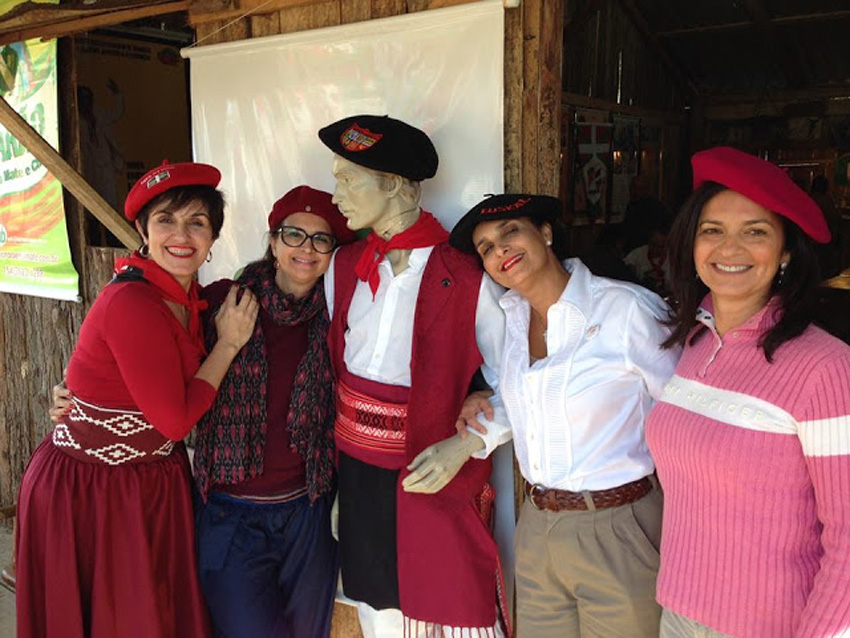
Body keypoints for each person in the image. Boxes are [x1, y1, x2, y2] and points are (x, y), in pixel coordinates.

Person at [16, 161, 259, 638]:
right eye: (166, 219)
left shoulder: (191, 298)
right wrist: (229, 345)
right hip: (91, 490)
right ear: (143, 231)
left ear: (213, 239)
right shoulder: (134, 302)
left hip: (149, 481)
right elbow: (174, 422)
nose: (181, 234)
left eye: (197, 222)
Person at [449, 193, 680, 638]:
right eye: (485, 248)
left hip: (620, 521)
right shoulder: (512, 321)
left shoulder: (626, 309)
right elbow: (522, 402)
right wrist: (483, 400)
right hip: (538, 525)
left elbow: (683, 412)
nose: (499, 250)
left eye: (510, 232)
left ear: (547, 233)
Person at [644, 146, 850, 638]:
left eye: (755, 232)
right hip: (678, 614)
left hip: (772, 627)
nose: (729, 249)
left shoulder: (825, 367)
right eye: (712, 231)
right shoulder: (693, 342)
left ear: (784, 252)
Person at [317, 114, 509, 637]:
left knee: (449, 613)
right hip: (358, 476)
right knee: (379, 615)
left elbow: (520, 380)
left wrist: (467, 445)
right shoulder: (344, 267)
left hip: (433, 471)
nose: (336, 195)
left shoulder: (468, 276)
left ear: (397, 185)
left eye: (348, 178)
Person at [192, 186, 356, 637]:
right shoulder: (225, 301)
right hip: (231, 513)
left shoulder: (343, 315)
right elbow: (156, 349)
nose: (306, 248)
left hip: (307, 510)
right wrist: (84, 390)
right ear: (272, 241)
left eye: (321, 240)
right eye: (293, 235)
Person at [622, 173, 672, 253]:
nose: (634, 192)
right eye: (633, 188)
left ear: (646, 190)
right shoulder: (631, 206)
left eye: (639, 189)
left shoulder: (656, 208)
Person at [624, 222, 672, 296]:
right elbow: (626, 277)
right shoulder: (637, 254)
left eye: (661, 246)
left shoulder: (674, 258)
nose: (656, 249)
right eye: (653, 245)